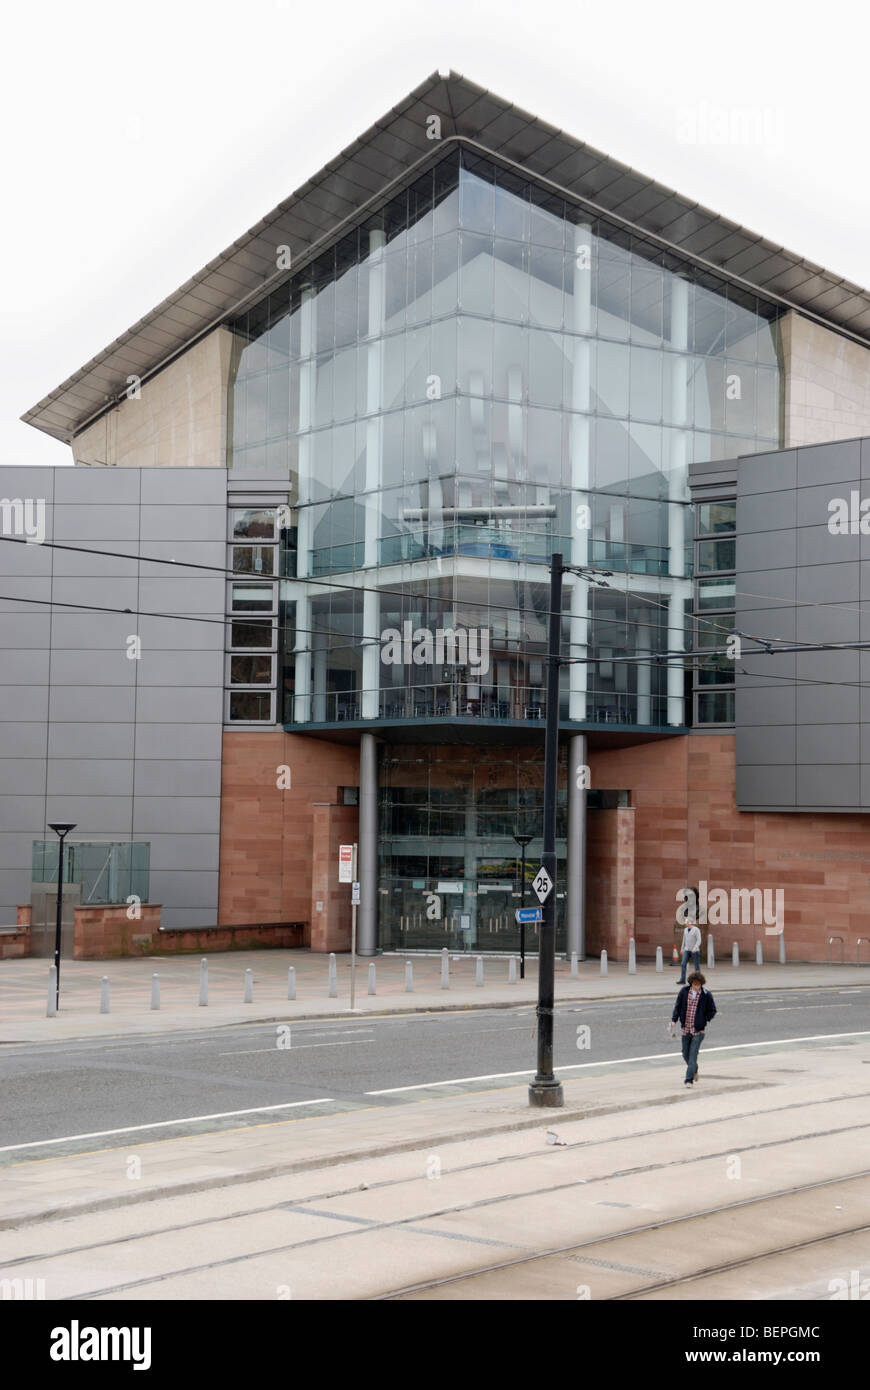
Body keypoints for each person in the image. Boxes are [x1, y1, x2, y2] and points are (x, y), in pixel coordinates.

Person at [670, 971, 716, 1087]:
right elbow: (678, 1006)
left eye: (699, 984)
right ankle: (694, 1069)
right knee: (685, 1054)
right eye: (695, 984)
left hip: (698, 1031)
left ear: (701, 984)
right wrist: (674, 1020)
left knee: (692, 1056)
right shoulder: (684, 992)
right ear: (691, 983)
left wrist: (704, 1019)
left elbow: (712, 1010)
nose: (696, 986)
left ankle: (688, 1080)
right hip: (686, 1029)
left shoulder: (706, 995)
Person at [677, 918, 702, 984]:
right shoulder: (685, 930)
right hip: (687, 950)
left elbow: (699, 940)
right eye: (685, 922)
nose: (685, 923)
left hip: (695, 951)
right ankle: (682, 980)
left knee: (696, 966)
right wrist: (682, 949)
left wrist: (695, 948)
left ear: (690, 922)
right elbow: (684, 940)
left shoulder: (696, 930)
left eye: (687, 922)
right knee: (683, 964)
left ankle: (699, 980)